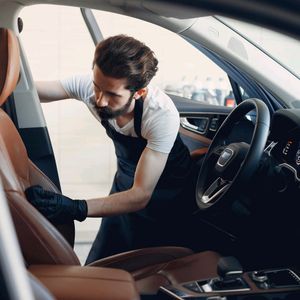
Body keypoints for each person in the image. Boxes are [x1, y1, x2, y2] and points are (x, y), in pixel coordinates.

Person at [33, 34, 198, 264]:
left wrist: (76, 208)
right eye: (97, 87)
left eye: (112, 95)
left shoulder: (160, 115)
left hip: (166, 194)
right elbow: (30, 91)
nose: (99, 101)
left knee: (152, 266)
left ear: (139, 92)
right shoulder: (89, 88)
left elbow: (140, 195)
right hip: (125, 181)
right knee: (103, 259)